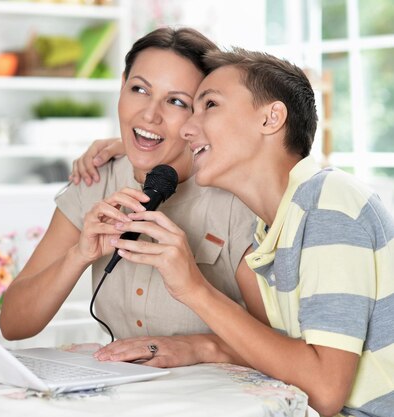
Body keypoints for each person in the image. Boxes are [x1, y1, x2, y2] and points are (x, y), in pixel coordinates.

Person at [95, 48, 393, 417]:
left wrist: (194, 287)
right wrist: (203, 347)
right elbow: (292, 352)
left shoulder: (330, 203)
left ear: (271, 118)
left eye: (210, 105)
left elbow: (324, 391)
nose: (187, 127)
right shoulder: (272, 227)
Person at [0, 27, 257, 367]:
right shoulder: (95, 178)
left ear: (202, 113)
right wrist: (79, 255)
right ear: (121, 86)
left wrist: (201, 347)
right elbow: (13, 324)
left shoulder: (234, 197)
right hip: (125, 392)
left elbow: (284, 342)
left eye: (176, 101)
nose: (149, 115)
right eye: (139, 90)